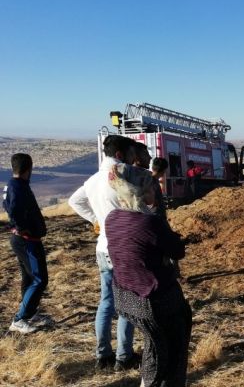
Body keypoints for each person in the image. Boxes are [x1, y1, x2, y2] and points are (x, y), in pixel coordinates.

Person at [105, 163, 191, 387]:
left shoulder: (112, 218)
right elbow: (177, 251)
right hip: (155, 299)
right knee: (171, 350)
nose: (155, 191)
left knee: (154, 345)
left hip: (126, 296)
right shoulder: (150, 222)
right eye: (151, 188)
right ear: (141, 193)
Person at [68, 134, 138, 371]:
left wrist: (96, 220)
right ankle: (124, 356)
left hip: (103, 248)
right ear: (120, 155)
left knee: (106, 302)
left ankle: (103, 355)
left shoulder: (93, 180)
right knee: (127, 303)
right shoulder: (123, 174)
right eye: (130, 153)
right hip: (124, 248)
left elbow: (74, 201)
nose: (133, 158)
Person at [3, 153, 49, 334]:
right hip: (26, 241)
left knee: (29, 278)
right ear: (28, 169)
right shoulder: (17, 187)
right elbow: (12, 210)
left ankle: (29, 313)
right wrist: (21, 228)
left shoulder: (14, 185)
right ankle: (19, 319)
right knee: (39, 279)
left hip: (25, 239)